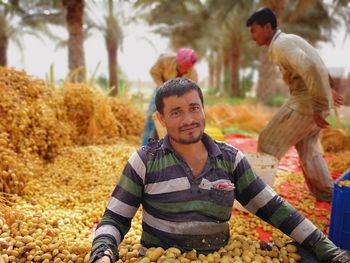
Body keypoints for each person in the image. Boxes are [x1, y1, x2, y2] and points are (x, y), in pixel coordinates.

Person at [89, 78, 349, 263]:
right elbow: (115, 218)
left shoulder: (230, 159)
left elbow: (274, 208)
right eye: (176, 112)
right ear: (161, 119)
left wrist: (327, 249)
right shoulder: (145, 161)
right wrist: (102, 253)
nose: (189, 119)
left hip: (220, 256)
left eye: (194, 108)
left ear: (203, 109)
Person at [246, 7, 345, 202]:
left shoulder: (282, 44)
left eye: (254, 30)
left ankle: (259, 198)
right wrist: (327, 90)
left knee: (268, 141)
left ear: (267, 27)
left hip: (305, 102)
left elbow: (309, 66)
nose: (252, 36)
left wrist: (318, 104)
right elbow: (313, 63)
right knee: (308, 147)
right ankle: (328, 193)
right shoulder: (288, 41)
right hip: (313, 100)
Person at [141, 48, 198, 145]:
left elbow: (191, 91)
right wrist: (161, 88)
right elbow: (154, 72)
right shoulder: (165, 60)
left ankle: (167, 147)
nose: (183, 70)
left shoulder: (193, 75)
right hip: (161, 87)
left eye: (186, 68)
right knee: (152, 116)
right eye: (181, 66)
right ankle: (145, 146)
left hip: (179, 95)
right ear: (177, 61)